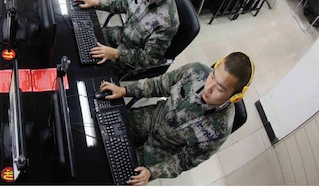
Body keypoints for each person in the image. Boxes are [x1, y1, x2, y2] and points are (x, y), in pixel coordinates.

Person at [98, 52, 254, 183]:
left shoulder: (220, 129)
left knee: (116, 176)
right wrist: (124, 91)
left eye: (220, 88)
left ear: (236, 97)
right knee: (103, 126)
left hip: (163, 149)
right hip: (153, 117)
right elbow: (159, 85)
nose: (209, 87)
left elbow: (185, 161)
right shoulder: (195, 71)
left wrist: (152, 173)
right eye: (213, 76)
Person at [73, 0, 179, 73]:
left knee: (87, 68)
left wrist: (115, 53)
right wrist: (95, 2)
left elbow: (147, 59)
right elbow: (122, 4)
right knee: (81, 37)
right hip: (122, 35)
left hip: (131, 60)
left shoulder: (167, 22)